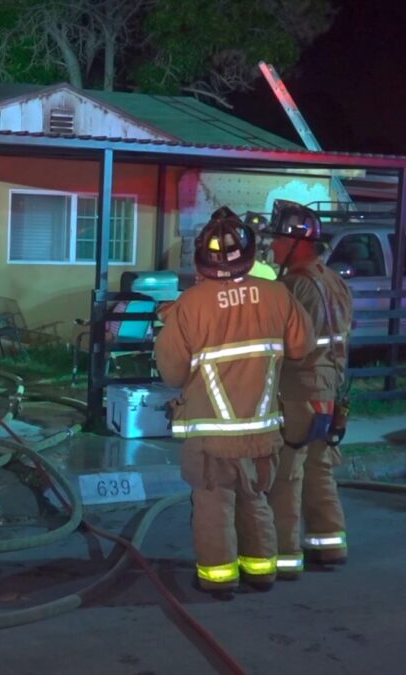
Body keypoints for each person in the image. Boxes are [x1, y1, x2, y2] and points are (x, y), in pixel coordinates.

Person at [156, 206, 313, 599]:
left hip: (212, 435)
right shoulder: (278, 295)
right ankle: (261, 571)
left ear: (202, 258)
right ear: (250, 253)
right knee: (255, 499)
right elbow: (302, 347)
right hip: (263, 432)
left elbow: (172, 373)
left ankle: (219, 578)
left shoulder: (190, 304)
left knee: (214, 504)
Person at [265, 199, 354, 578]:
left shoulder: (292, 286)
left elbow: (280, 345)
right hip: (329, 391)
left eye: (277, 240)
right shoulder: (335, 281)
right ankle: (330, 543)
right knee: (320, 467)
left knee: (286, 474)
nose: (272, 246)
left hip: (297, 391)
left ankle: (283, 556)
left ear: (296, 243)